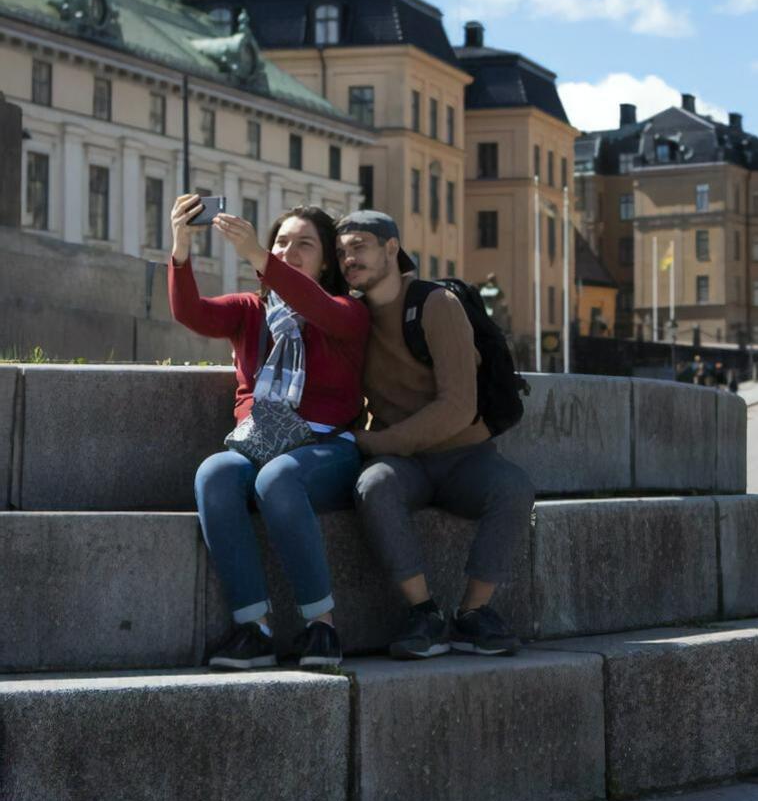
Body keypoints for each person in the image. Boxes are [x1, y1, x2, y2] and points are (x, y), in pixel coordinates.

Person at [169, 197, 368, 670]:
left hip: (326, 447)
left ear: (326, 262)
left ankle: (322, 627)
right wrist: (180, 248)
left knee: (278, 478)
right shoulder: (250, 309)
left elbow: (315, 305)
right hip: (258, 441)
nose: (288, 252)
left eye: (304, 245)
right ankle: (253, 630)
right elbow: (191, 313)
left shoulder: (347, 311)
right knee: (215, 474)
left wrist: (260, 256)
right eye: (281, 242)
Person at [337, 212, 535, 659]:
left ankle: (474, 614)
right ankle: (423, 612)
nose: (349, 258)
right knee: (374, 485)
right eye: (342, 251)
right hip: (406, 466)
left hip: (464, 456)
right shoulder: (352, 316)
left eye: (360, 245)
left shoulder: (435, 304)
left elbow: (457, 406)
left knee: (514, 488)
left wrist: (372, 443)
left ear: (391, 248)